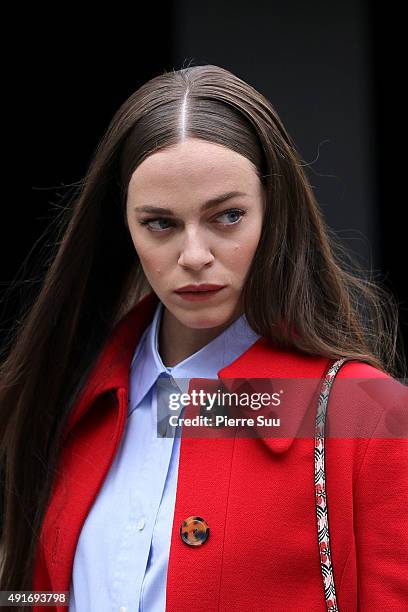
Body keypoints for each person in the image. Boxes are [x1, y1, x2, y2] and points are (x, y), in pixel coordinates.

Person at [0, 64, 407, 611]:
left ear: (273, 215)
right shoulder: (66, 400)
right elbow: (32, 595)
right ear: (124, 227)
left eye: (228, 216)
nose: (195, 256)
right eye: (160, 223)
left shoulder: (368, 417)